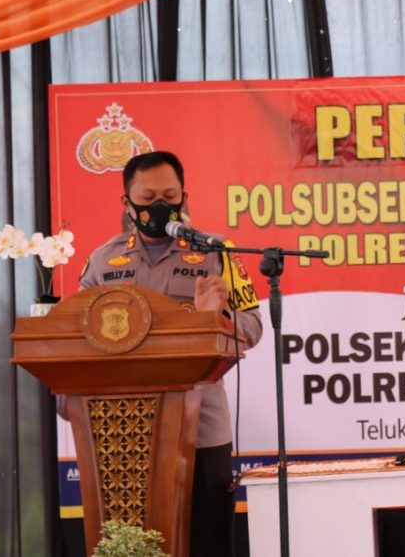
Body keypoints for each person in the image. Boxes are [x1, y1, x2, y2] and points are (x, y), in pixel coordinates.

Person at [78, 150, 262, 556]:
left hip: (201, 429)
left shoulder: (216, 252)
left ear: (184, 197)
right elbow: (78, 336)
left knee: (208, 541)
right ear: (127, 203)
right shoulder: (102, 261)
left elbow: (252, 327)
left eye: (169, 196)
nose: (159, 207)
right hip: (125, 431)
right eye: (147, 199)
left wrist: (214, 319)